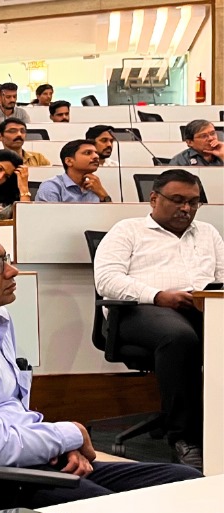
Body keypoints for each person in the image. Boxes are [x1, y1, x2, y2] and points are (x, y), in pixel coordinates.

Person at [0, 223, 201, 513]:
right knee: (115, 512)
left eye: (6, 259)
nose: (11, 270)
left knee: (185, 482)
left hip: (20, 464)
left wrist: (56, 444)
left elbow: (11, 412)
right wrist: (71, 433)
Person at [94, 169, 224, 469]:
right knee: (179, 337)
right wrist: (157, 295)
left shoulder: (208, 233)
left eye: (193, 202)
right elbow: (108, 280)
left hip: (200, 307)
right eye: (178, 200)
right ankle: (184, 437)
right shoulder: (127, 230)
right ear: (154, 199)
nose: (186, 208)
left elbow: (220, 279)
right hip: (138, 310)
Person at [36, 139, 111, 203]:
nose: (96, 156)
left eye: (96, 153)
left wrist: (103, 195)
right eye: (88, 153)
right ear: (69, 161)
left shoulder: (95, 186)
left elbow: (111, 216)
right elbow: (50, 218)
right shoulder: (52, 187)